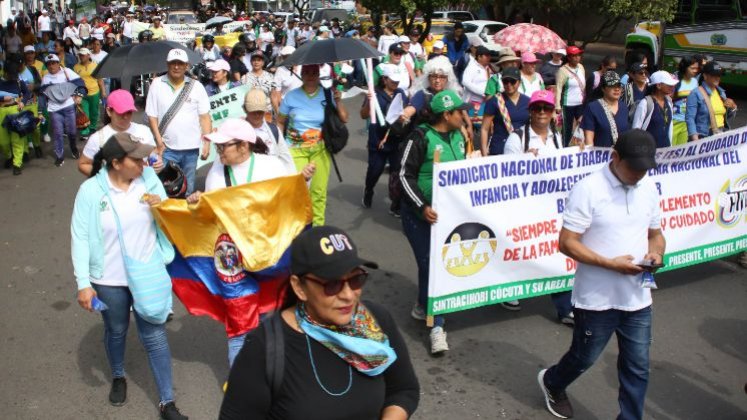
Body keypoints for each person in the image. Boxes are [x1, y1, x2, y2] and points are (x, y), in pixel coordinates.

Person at [219, 225, 420, 419]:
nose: (349, 295)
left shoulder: (376, 321)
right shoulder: (264, 348)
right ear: (299, 288)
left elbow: (403, 389)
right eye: (332, 285)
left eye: (356, 279)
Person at [538, 129, 665, 420]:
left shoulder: (648, 187)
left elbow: (656, 234)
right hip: (596, 299)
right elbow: (567, 242)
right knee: (584, 357)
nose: (639, 174)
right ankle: (552, 382)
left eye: (645, 169)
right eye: (633, 167)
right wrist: (611, 264)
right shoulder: (589, 188)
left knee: (637, 367)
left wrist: (656, 254)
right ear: (615, 157)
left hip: (637, 299)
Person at [71, 133, 188, 420]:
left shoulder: (148, 179)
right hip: (109, 279)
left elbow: (168, 217)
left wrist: (161, 206)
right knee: (117, 330)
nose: (142, 162)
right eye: (135, 159)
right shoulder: (91, 191)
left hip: (147, 271)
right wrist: (84, 284)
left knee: (155, 336)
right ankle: (119, 375)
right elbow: (80, 237)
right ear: (115, 163)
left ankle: (167, 402)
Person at [399, 90, 473, 354]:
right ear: (446, 114)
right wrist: (422, 205)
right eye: (460, 112)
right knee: (432, 265)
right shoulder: (419, 137)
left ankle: (424, 304)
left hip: (448, 218)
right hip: (420, 217)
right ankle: (438, 327)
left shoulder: (458, 136)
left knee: (437, 265)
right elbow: (403, 177)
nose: (464, 116)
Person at [278, 64, 348, 226]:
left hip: (320, 150)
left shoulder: (327, 94)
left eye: (314, 72)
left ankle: (317, 230)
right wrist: (280, 147)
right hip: (295, 150)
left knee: (318, 192)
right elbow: (280, 122)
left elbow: (344, 118)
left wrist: (338, 101)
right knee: (296, 192)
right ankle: (295, 228)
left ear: (319, 75)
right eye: (306, 72)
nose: (310, 76)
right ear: (301, 75)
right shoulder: (291, 96)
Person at [146, 49, 211, 195]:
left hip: (191, 149)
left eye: (180, 63)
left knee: (188, 190)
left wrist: (207, 142)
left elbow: (204, 117)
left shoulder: (196, 86)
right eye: (173, 63)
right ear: (167, 64)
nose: (176, 67)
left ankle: (186, 217)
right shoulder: (156, 84)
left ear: (186, 66)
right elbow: (152, 116)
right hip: (166, 148)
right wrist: (159, 142)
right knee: (165, 190)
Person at [360, 64, 408, 215]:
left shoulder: (400, 93)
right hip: (377, 140)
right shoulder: (375, 93)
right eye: (392, 81)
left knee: (397, 173)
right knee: (375, 171)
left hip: (396, 140)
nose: (396, 84)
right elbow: (363, 115)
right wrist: (369, 102)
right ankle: (368, 190)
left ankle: (396, 204)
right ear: (384, 79)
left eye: (397, 81)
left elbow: (406, 113)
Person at [79, 89, 158, 176]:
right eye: (121, 113)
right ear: (109, 111)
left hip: (143, 186)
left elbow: (153, 152)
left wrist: (156, 161)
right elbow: (83, 164)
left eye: (129, 112)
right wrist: (105, 177)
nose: (125, 117)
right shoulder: (97, 138)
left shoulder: (144, 130)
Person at [40, 53, 83, 167]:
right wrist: (40, 111)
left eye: (53, 63)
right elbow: (42, 95)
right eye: (48, 64)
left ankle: (73, 148)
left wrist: (79, 95)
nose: (51, 66)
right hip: (54, 109)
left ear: (58, 63)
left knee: (72, 132)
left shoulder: (67, 72)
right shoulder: (45, 77)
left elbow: (80, 83)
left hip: (68, 106)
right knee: (58, 133)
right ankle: (59, 156)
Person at [244, 89, 300, 175]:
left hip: (274, 179)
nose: (257, 115)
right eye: (253, 111)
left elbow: (285, 158)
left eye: (260, 111)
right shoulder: (238, 132)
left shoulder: (274, 130)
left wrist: (293, 179)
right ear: (245, 109)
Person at [480, 67, 529, 157]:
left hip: (522, 149)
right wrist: (484, 156)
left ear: (519, 82)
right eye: (505, 81)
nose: (509, 84)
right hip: (500, 150)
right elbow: (484, 129)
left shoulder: (528, 101)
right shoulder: (494, 101)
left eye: (512, 81)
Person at [685, 61, 738, 141]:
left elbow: (725, 116)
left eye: (719, 75)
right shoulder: (695, 93)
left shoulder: (721, 93)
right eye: (713, 75)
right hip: (704, 135)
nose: (717, 78)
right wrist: (695, 139)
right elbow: (690, 118)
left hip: (721, 134)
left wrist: (733, 107)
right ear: (705, 76)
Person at [0, 59, 32, 175]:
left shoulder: (18, 81)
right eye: (10, 74)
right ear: (5, 72)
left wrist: (23, 101)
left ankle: (17, 163)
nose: (12, 76)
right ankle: (9, 156)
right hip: (1, 110)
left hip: (15, 110)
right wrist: (3, 98)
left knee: (17, 138)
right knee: (3, 140)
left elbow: (27, 93)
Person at [582, 71, 630, 147]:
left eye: (619, 85)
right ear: (603, 88)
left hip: (621, 156)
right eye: (612, 86)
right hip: (600, 156)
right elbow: (588, 138)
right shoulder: (592, 108)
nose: (617, 89)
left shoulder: (624, 107)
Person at [632, 70, 675, 148]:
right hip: (648, 152)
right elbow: (636, 130)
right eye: (668, 84)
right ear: (658, 85)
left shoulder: (669, 102)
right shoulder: (645, 103)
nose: (672, 87)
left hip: (665, 152)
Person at [461, 45, 493, 144]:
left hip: (485, 104)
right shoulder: (472, 67)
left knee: (483, 130)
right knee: (472, 132)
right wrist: (483, 92)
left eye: (489, 55)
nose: (489, 58)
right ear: (479, 57)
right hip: (472, 105)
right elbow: (465, 82)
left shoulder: (488, 68)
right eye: (486, 56)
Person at [554, 46, 586, 146]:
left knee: (583, 125)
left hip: (580, 103)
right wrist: (557, 105)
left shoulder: (581, 67)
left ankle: (582, 146)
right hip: (568, 104)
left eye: (578, 55)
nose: (577, 58)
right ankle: (565, 148)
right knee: (567, 129)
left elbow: (583, 84)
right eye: (574, 56)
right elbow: (558, 89)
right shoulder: (562, 71)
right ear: (569, 57)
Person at [74, 48, 106, 140]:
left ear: (88, 55)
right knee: (84, 112)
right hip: (82, 94)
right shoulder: (76, 67)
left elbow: (100, 80)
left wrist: (103, 91)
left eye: (83, 55)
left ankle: (92, 127)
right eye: (80, 55)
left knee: (94, 112)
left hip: (94, 92)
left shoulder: (95, 65)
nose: (81, 57)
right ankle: (85, 131)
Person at [671, 56, 700, 146]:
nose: (695, 70)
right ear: (684, 67)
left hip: (686, 122)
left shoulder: (695, 82)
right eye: (692, 68)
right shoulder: (674, 80)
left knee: (680, 151)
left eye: (696, 68)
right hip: (673, 121)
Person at [240, 50, 275, 119]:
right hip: (251, 113)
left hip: (267, 111)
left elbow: (273, 95)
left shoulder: (270, 76)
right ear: (251, 62)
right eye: (254, 60)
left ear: (263, 62)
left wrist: (276, 112)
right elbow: (242, 96)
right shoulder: (245, 78)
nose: (256, 62)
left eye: (259, 60)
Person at [271, 46, 302, 115]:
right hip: (286, 107)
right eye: (284, 57)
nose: (287, 59)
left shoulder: (303, 67)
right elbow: (275, 92)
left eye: (289, 56)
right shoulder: (280, 70)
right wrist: (278, 112)